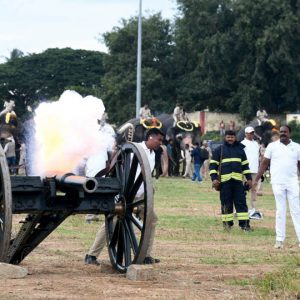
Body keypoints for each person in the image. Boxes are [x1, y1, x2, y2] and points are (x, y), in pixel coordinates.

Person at [85, 128, 165, 265]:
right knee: (112, 222)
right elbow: (120, 160)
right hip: (126, 195)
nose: (161, 143)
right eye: (159, 140)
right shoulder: (136, 149)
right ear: (150, 137)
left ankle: (146, 255)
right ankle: (91, 255)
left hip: (141, 196)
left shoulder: (152, 154)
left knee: (151, 220)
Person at [254, 125, 300, 249]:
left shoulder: (297, 147)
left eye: (285, 132)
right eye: (281, 132)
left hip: (292, 183)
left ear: (289, 133)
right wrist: (256, 179)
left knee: (296, 211)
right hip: (277, 183)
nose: (283, 134)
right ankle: (279, 240)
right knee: (280, 211)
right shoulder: (272, 146)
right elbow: (264, 164)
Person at [209, 130, 252, 231]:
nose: (230, 139)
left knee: (241, 204)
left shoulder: (241, 150)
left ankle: (245, 225)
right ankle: (227, 225)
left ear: (235, 138)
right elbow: (212, 166)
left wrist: (249, 179)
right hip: (224, 183)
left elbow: (245, 166)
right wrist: (214, 179)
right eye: (228, 137)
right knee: (226, 203)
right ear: (225, 137)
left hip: (238, 182)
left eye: (232, 137)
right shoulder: (219, 150)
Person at [241, 127, 263, 220]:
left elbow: (258, 157)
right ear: (245, 134)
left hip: (254, 170)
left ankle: (253, 208)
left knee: (254, 190)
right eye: (249, 133)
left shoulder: (256, 144)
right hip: (244, 170)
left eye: (252, 133)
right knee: (242, 190)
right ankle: (241, 208)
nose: (251, 134)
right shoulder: (242, 143)